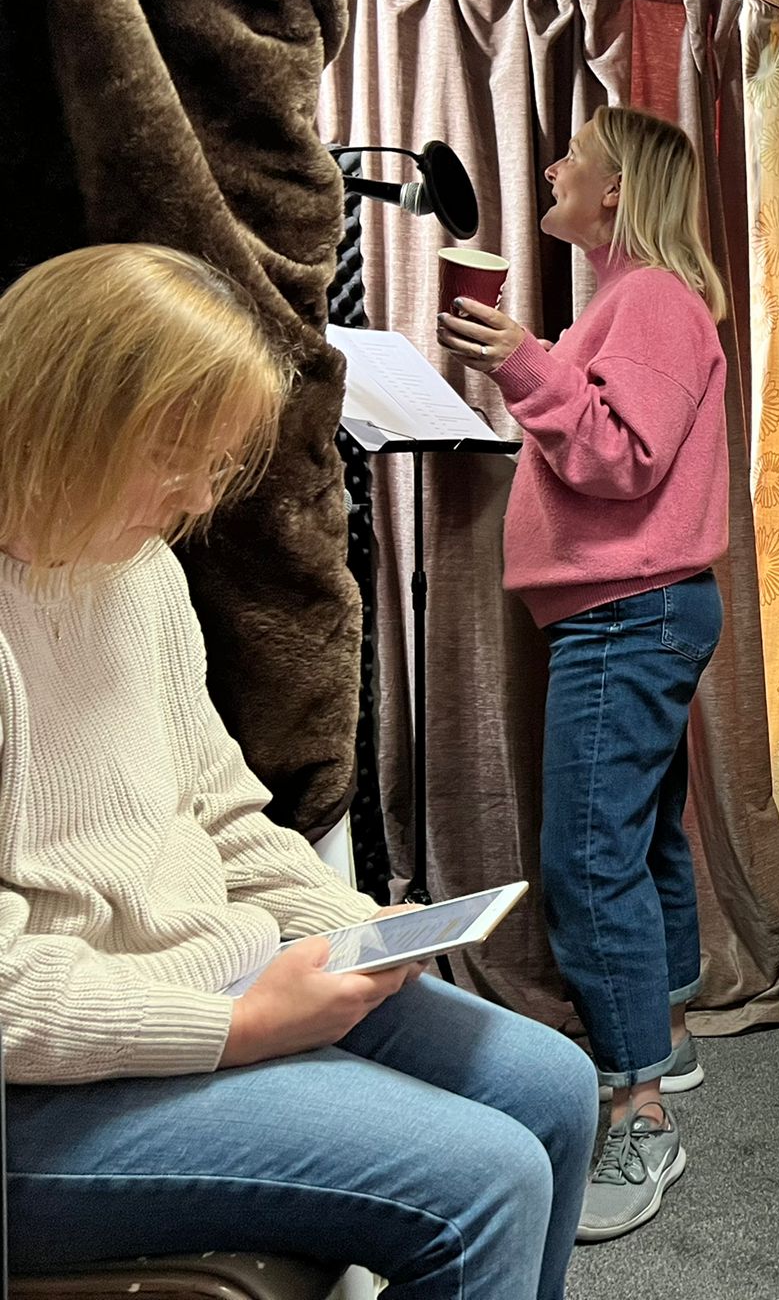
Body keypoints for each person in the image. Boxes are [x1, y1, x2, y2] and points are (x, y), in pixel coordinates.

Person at [2, 244, 597, 1299]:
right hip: (40, 1079)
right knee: (485, 1180)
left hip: (195, 977)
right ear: (61, 414)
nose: (197, 495)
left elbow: (221, 813)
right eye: (172, 454)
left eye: (216, 463)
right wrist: (235, 1029)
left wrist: (357, 931)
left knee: (555, 1086)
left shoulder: (136, 568)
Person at [438, 105, 729, 1242]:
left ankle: (638, 1108)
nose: (553, 165)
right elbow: (604, 435)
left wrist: (522, 360)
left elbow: (624, 458)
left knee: (589, 858)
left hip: (626, 613)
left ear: (616, 190)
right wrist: (530, 362)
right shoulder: (628, 300)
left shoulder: (648, 298)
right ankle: (665, 1036)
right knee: (640, 837)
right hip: (635, 608)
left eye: (575, 157)